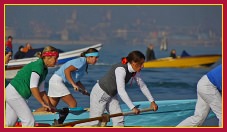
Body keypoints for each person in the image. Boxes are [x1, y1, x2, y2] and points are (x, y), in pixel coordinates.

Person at [76, 50, 158, 127]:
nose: (143, 66)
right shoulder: (121, 69)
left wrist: (152, 101)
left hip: (111, 94)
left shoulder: (134, 71)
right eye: (141, 64)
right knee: (94, 122)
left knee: (119, 119)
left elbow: (142, 86)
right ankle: (73, 128)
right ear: (133, 63)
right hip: (100, 93)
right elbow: (121, 91)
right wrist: (132, 107)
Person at [5, 45, 59, 127]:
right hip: (15, 93)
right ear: (48, 57)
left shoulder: (45, 70)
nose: (56, 61)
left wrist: (50, 105)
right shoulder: (38, 66)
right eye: (55, 58)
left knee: (8, 124)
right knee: (29, 121)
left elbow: (42, 90)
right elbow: (33, 87)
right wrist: (42, 103)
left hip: (12, 93)